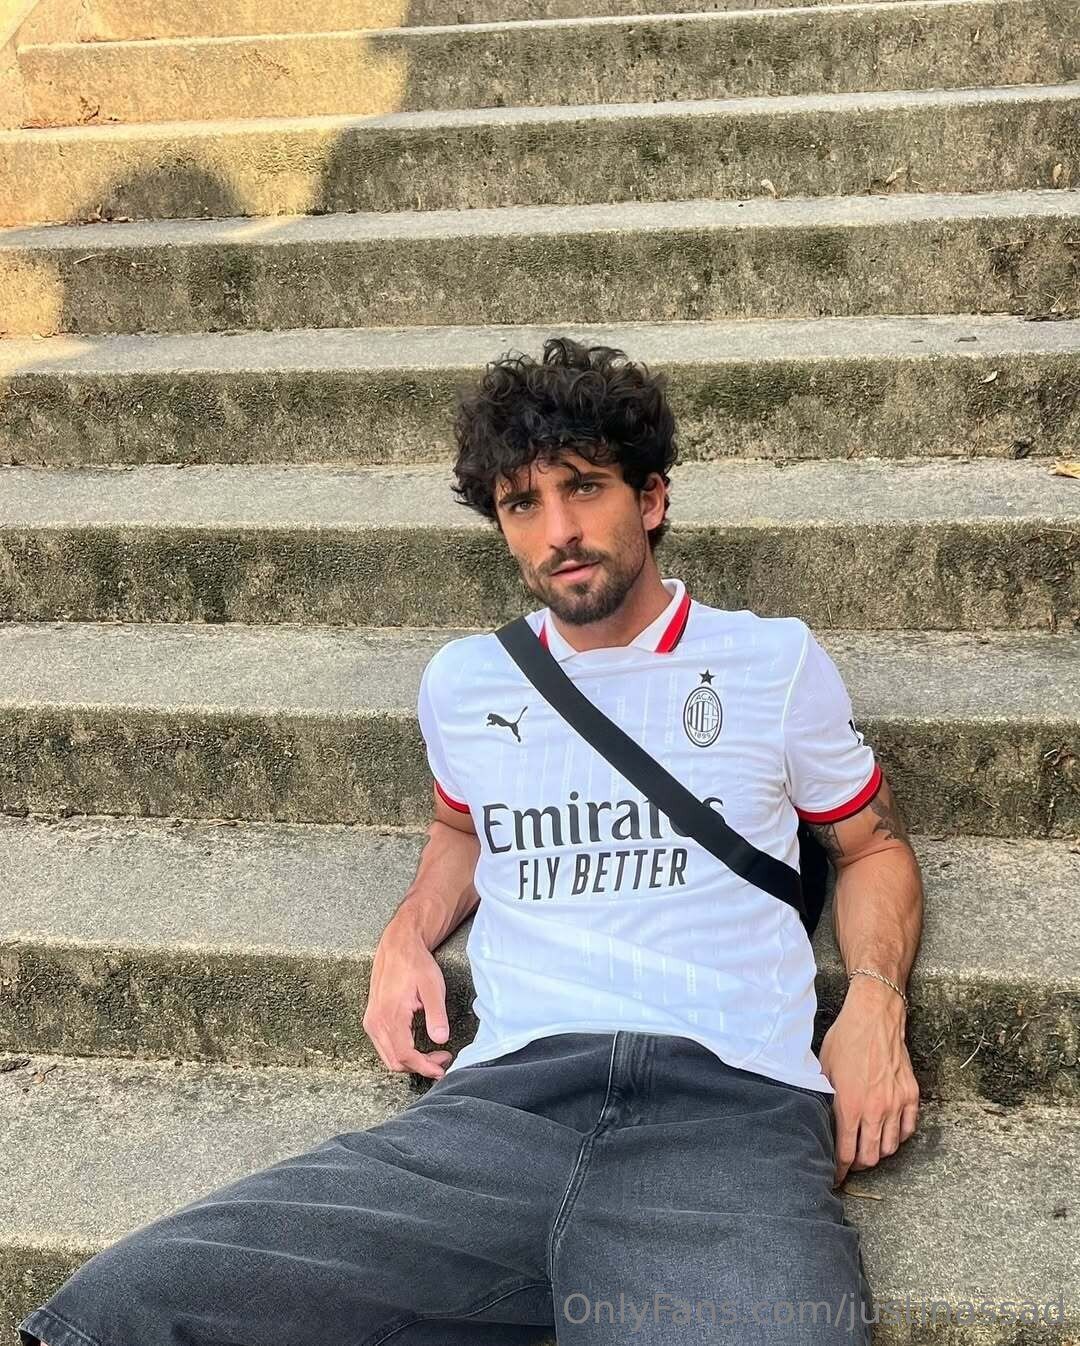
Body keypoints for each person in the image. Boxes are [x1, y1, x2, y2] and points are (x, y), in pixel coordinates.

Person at [20, 338, 924, 1346]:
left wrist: (874, 1004)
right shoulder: (465, 682)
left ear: (652, 498)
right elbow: (460, 826)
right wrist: (408, 931)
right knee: (126, 1309)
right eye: (522, 503)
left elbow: (872, 847)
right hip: (501, 1110)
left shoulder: (771, 661)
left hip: (726, 1112)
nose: (559, 531)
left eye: (585, 487)